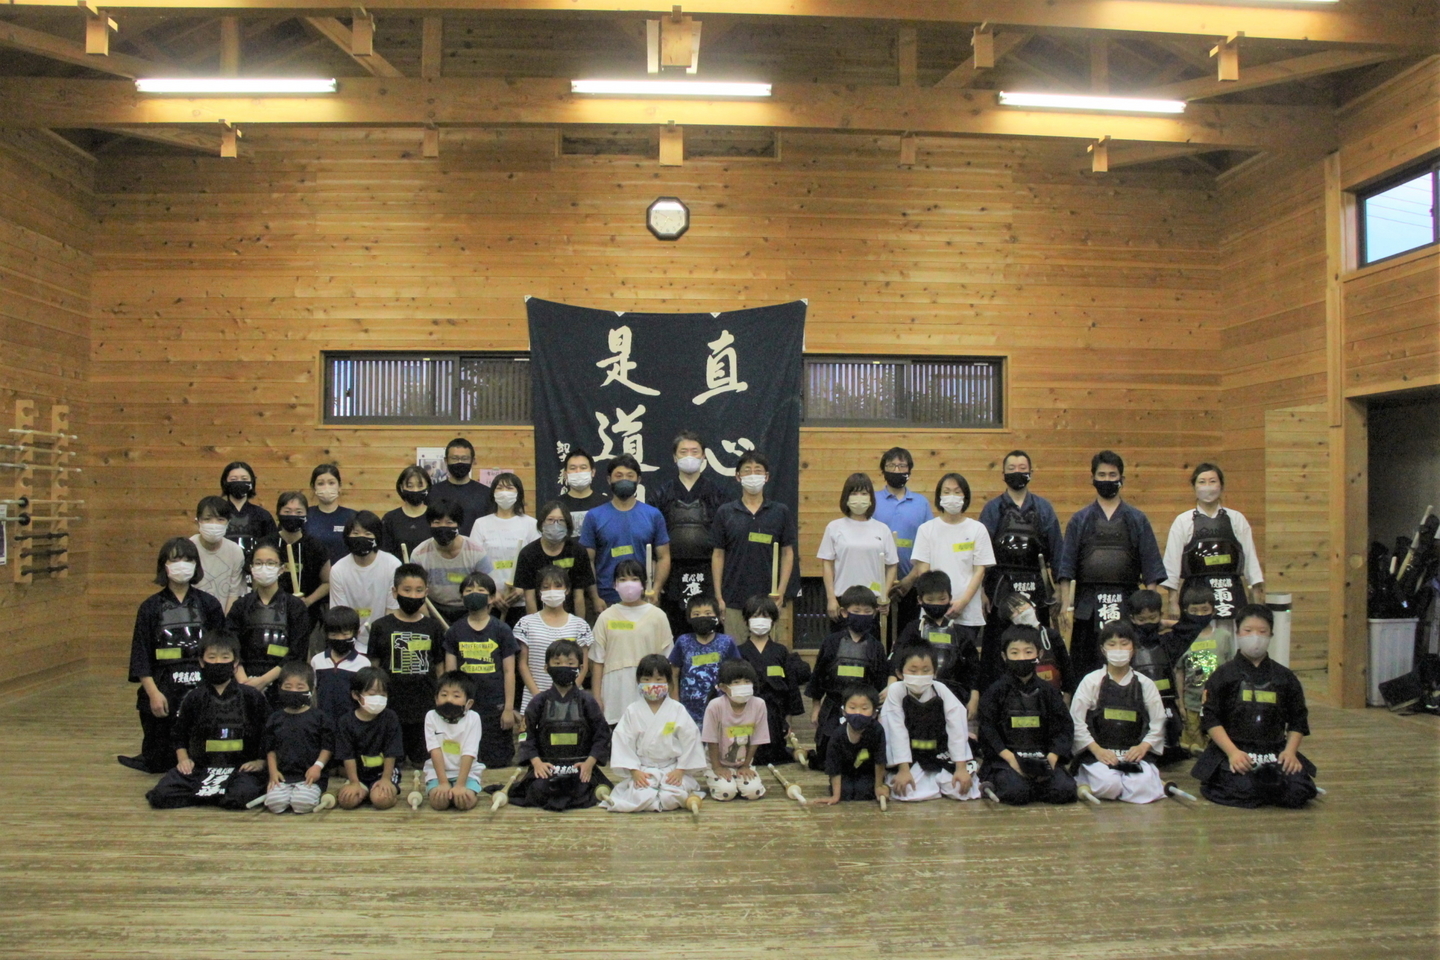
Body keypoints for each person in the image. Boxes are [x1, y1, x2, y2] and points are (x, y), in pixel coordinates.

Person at [1191, 604, 1317, 808]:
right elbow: (1211, 718)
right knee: (1246, 789)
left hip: (1274, 750)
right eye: (1248, 631)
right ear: (1238, 633)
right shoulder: (1223, 675)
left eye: (1262, 631)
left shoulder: (1285, 677)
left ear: (1271, 634)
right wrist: (1233, 753)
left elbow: (1298, 719)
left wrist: (1290, 752)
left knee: (1298, 791)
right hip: (1235, 749)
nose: (1255, 637)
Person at [120, 538, 227, 773]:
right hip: (163, 684)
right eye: (175, 559)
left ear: (196, 565)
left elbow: (222, 650)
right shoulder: (149, 607)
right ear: (164, 565)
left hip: (201, 683)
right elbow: (141, 655)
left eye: (188, 559)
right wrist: (153, 694)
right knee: (160, 762)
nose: (182, 565)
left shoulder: (209, 604)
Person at [1057, 450, 1165, 679]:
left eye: (1112, 475)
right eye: (1102, 475)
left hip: (1127, 600)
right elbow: (1066, 568)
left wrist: (1149, 607)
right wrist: (1066, 606)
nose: (1107, 479)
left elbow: (1151, 566)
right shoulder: (1080, 519)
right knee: (1085, 665)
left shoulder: (1137, 518)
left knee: (1128, 662)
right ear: (1093, 479)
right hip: (1087, 604)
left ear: (1121, 479)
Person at [145, 633, 270, 810]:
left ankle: (219, 795)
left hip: (241, 769)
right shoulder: (194, 697)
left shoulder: (252, 696)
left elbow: (270, 733)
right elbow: (178, 734)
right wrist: (183, 760)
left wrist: (261, 762)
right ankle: (214, 794)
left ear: (235, 663)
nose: (218, 662)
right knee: (162, 795)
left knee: (240, 796)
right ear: (202, 662)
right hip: (201, 768)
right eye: (212, 657)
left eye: (225, 657)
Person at [978, 450, 1064, 687]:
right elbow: (980, 553)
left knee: (1035, 641)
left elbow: (1057, 550)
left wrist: (1059, 590)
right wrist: (982, 590)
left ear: (1031, 472)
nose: (1017, 472)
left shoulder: (1044, 508)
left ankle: (1039, 691)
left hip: (1037, 585)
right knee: (998, 645)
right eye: (1012, 468)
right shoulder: (992, 509)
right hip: (999, 587)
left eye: (1022, 468)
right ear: (1003, 474)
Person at [1070, 622, 1168, 804]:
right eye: (1112, 644)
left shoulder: (1145, 684)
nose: (1118, 649)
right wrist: (1097, 750)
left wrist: (1143, 747)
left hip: (1133, 753)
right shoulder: (1091, 681)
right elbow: (1076, 721)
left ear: (1133, 648)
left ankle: (1137, 781)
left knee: (1141, 788)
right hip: (1099, 754)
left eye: (1124, 644)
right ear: (1103, 649)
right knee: (1109, 784)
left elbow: (1158, 722)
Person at [976, 627, 1077, 806]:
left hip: (1042, 757)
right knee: (1016, 793)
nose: (1022, 658)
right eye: (1015, 653)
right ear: (1004, 656)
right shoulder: (995, 692)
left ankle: (1035, 785)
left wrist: (1052, 758)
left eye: (1028, 652)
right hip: (1006, 760)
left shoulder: (1049, 692)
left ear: (1039, 654)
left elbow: (1064, 728)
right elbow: (987, 729)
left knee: (1064, 791)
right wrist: (1010, 759)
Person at [897, 472, 994, 656]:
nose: (952, 496)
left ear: (965, 497)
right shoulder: (926, 529)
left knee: (963, 661)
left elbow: (979, 570)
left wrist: (963, 602)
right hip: (932, 611)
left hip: (967, 614)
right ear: (939, 497)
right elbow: (923, 571)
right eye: (947, 491)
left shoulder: (977, 529)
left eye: (957, 492)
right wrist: (936, 604)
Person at [509, 639, 612, 811]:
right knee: (538, 790)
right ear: (546, 667)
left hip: (580, 767)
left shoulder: (587, 701)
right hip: (548, 766)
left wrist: (589, 762)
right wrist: (536, 762)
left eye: (570, 663)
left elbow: (602, 734)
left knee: (582, 790)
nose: (563, 667)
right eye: (557, 663)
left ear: (580, 668)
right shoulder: (538, 701)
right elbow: (525, 734)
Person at [648, 431, 730, 636]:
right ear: (674, 457)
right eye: (683, 452)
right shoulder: (661, 494)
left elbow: (725, 541)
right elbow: (652, 538)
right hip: (671, 572)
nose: (689, 456)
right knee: (673, 629)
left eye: (695, 451)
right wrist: (656, 581)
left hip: (708, 571)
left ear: (704, 456)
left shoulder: (718, 494)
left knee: (708, 629)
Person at [601, 655, 707, 814]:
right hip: (643, 770)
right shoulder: (633, 711)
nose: (652, 684)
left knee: (671, 797)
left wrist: (681, 769)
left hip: (671, 768)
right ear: (638, 681)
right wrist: (634, 771)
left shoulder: (677, 709)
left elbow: (690, 739)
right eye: (647, 679)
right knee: (642, 796)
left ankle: (667, 793)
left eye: (659, 679)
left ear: (668, 682)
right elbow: (622, 740)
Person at [711, 451, 797, 645]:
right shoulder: (725, 512)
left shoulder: (780, 512)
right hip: (733, 598)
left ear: (766, 477)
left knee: (768, 654)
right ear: (737, 476)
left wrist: (781, 591)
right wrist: (719, 596)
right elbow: (718, 555)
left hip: (769, 599)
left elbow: (787, 553)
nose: (752, 475)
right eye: (747, 470)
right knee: (736, 655)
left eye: (758, 471)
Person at [366, 563, 447, 770]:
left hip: (424, 707)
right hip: (391, 708)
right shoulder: (380, 627)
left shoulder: (433, 627)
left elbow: (440, 667)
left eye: (419, 590)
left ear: (426, 592)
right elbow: (374, 669)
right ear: (395, 592)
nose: (413, 595)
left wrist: (440, 698)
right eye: (407, 590)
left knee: (422, 762)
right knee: (394, 763)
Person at [1161, 463, 1265, 621]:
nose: (1207, 486)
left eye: (1212, 481)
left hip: (1231, 590)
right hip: (1195, 591)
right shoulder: (1183, 521)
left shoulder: (1236, 519)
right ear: (1194, 487)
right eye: (1202, 482)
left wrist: (1256, 595)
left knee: (1230, 634)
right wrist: (1172, 601)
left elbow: (1251, 560)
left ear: (1221, 486)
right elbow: (1172, 563)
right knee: (1198, 635)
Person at [806, 586, 890, 770]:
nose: (862, 615)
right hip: (833, 705)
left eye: (867, 612)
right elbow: (818, 676)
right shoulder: (831, 642)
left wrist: (876, 711)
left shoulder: (876, 647)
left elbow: (880, 683)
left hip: (863, 708)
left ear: (874, 613)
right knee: (826, 755)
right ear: (844, 612)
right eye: (856, 611)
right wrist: (816, 707)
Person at [881, 648, 980, 802]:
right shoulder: (896, 691)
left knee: (960, 790)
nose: (920, 675)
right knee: (907, 791)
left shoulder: (941, 690)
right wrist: (903, 770)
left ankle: (939, 780)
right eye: (913, 671)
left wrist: (961, 768)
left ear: (935, 672)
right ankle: (930, 781)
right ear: (900, 673)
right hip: (911, 754)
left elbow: (957, 727)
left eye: (926, 670)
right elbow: (896, 731)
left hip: (939, 750)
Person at [443, 573, 520, 768]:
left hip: (495, 706)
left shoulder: (502, 630)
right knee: (463, 759)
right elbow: (450, 674)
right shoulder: (454, 631)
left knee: (497, 761)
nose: (474, 593)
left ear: (492, 597)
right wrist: (452, 705)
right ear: (461, 597)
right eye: (468, 590)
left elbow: (509, 672)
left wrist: (509, 708)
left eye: (480, 590)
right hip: (465, 706)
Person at [889, 570, 982, 722]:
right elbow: (897, 657)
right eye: (930, 600)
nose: (936, 604)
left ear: (950, 598)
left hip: (953, 693)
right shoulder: (913, 629)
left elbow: (973, 668)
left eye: (941, 599)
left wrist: (974, 697)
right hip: (915, 693)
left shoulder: (960, 633)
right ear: (920, 600)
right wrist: (891, 686)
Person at [580, 454, 671, 608]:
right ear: (609, 479)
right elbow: (588, 560)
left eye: (630, 476)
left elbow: (664, 556)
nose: (624, 480)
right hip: (607, 597)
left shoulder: (653, 515)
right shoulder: (594, 516)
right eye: (619, 476)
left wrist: (655, 590)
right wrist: (595, 597)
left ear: (638, 480)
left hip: (644, 596)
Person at [590, 559, 673, 724]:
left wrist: (670, 696)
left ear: (643, 584)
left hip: (649, 687)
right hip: (615, 691)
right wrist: (597, 696)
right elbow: (597, 661)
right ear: (614, 585)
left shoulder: (658, 616)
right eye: (622, 579)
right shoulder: (605, 617)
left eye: (634, 579)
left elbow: (668, 661)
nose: (628, 584)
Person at [228, 540, 310, 701]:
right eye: (258, 563)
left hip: (283, 681)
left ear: (282, 568)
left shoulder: (295, 607)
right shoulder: (240, 605)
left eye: (270, 563)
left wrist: (264, 680)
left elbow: (298, 652)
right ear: (251, 568)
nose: (264, 568)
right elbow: (230, 646)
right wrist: (244, 682)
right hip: (244, 680)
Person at [818, 473, 899, 626]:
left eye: (864, 493)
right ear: (846, 498)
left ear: (871, 498)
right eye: (854, 493)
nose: (859, 498)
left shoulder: (882, 529)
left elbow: (892, 565)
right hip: (842, 599)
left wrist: (884, 596)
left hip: (873, 602)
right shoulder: (834, 527)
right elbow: (827, 563)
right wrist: (831, 598)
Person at [737, 595, 806, 766]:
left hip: (775, 713)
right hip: (747, 712)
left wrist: (788, 721)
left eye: (766, 616)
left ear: (773, 621)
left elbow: (790, 686)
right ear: (746, 620)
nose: (760, 620)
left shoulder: (781, 651)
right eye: (755, 616)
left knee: (775, 752)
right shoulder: (738, 652)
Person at [513, 568, 594, 712]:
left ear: (567, 590)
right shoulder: (526, 623)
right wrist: (539, 697)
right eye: (546, 587)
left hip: (572, 701)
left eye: (558, 586)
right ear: (539, 592)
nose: (552, 591)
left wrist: (567, 694)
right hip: (534, 699)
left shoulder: (580, 625)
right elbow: (523, 664)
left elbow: (584, 665)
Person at [875, 447, 933, 646]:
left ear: (909, 470)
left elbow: (928, 545)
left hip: (911, 584)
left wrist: (910, 579)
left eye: (902, 466)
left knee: (908, 639)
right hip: (877, 583)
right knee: (878, 638)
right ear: (883, 470)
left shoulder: (921, 503)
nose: (897, 470)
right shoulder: (872, 500)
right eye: (891, 466)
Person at [261, 662, 335, 814]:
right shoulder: (275, 718)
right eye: (288, 687)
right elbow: (270, 749)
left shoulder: (320, 718)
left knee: (301, 804)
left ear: (311, 690)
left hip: (310, 777)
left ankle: (301, 794)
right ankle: (287, 794)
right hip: (282, 776)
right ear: (280, 688)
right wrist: (273, 772)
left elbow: (327, 747)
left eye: (300, 687)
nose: (293, 691)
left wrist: (317, 767)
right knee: (275, 804)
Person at [468, 471, 538, 626]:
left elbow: (537, 563)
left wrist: (522, 589)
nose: (504, 492)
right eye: (500, 488)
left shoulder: (531, 524)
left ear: (518, 494)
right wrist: (491, 592)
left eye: (510, 488)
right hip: (490, 601)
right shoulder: (481, 524)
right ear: (493, 493)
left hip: (523, 601)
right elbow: (474, 562)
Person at [1125, 588, 1187, 761]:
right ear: (1132, 618)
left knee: (1171, 730)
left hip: (1166, 700)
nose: (1148, 623)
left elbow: (1191, 626)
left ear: (1160, 615)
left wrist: (1168, 623)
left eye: (1153, 618)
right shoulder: (1127, 644)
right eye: (1142, 619)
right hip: (1137, 702)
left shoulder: (1168, 642)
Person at [328, 510, 401, 654]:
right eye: (355, 533)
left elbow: (392, 611)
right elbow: (341, 615)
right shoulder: (338, 569)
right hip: (351, 642)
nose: (361, 537)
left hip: (384, 639)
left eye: (368, 534)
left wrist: (382, 641)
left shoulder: (392, 565)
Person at [411, 499, 495, 623]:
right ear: (429, 524)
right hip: (434, 609)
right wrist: (429, 624)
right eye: (437, 522)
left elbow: (489, 590)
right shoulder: (419, 554)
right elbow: (416, 594)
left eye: (449, 522)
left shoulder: (476, 552)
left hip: (470, 609)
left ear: (458, 525)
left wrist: (478, 620)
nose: (443, 527)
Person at [333, 666, 404, 810]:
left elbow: (392, 752)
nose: (378, 698)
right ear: (356, 694)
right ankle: (365, 790)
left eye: (383, 694)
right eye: (372, 693)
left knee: (381, 800)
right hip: (358, 774)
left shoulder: (390, 718)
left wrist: (385, 779)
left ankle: (378, 792)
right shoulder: (345, 722)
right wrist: (354, 782)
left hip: (384, 772)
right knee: (347, 801)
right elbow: (347, 755)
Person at [514, 500, 598, 617]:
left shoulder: (578, 551)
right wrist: (535, 624)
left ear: (567, 524)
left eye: (561, 520)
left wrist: (579, 624)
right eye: (550, 520)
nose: (555, 524)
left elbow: (578, 595)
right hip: (539, 615)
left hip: (570, 615)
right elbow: (530, 598)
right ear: (541, 523)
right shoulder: (527, 553)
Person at [667, 594, 741, 725]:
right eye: (696, 614)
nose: (702, 617)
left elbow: (737, 673)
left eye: (708, 613)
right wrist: (676, 705)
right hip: (688, 713)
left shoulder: (727, 642)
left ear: (717, 616)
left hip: (722, 710)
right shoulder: (683, 641)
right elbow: (674, 674)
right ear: (689, 617)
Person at [700, 659, 769, 801]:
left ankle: (739, 779)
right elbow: (711, 740)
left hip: (743, 763)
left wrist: (746, 765)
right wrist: (717, 767)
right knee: (726, 792)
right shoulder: (715, 706)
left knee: (753, 792)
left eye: (747, 681)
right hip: (717, 762)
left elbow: (757, 739)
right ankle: (724, 781)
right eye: (736, 682)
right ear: (723, 687)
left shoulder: (759, 704)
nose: (743, 686)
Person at [810, 684, 888, 806]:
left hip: (868, 773)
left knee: (864, 792)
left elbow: (880, 760)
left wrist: (879, 786)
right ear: (844, 712)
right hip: (844, 773)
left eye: (864, 708)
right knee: (845, 793)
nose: (858, 712)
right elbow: (834, 766)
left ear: (874, 713)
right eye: (852, 707)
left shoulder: (877, 731)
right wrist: (835, 796)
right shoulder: (837, 735)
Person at [1176, 582, 1228, 753]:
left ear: (1213, 611)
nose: (1200, 614)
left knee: (1218, 746)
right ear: (1186, 611)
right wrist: (1180, 703)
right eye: (1194, 610)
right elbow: (1179, 673)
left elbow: (1231, 670)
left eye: (1205, 610)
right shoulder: (1181, 638)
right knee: (1194, 748)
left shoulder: (1224, 636)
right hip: (1192, 704)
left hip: (1219, 705)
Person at [423, 671, 483, 812]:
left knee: (464, 803)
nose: (449, 700)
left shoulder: (473, 718)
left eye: (456, 696)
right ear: (436, 699)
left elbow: (469, 752)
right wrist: (443, 783)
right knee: (439, 803)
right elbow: (435, 750)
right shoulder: (431, 716)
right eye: (444, 695)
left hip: (467, 773)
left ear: (469, 703)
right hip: (437, 773)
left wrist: (460, 785)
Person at [274, 491, 331, 638]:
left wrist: (308, 601)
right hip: (272, 614)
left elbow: (327, 582)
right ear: (278, 513)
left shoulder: (316, 546)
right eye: (287, 511)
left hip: (308, 615)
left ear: (306, 515)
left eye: (298, 512)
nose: (293, 515)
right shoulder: (267, 544)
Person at [1001, 593, 1073, 696]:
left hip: (1053, 695)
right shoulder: (1009, 639)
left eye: (1021, 604)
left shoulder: (1051, 635)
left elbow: (1066, 668)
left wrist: (1067, 696)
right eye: (1014, 611)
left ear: (1032, 605)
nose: (1020, 611)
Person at [310, 606, 371, 723]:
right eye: (333, 635)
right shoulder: (317, 661)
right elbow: (314, 693)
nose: (339, 638)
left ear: (356, 633)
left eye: (345, 634)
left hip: (351, 725)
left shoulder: (363, 663)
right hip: (323, 724)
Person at [191, 495, 245, 614]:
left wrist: (225, 622)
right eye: (207, 519)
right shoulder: (188, 548)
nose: (214, 524)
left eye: (220, 519)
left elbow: (233, 593)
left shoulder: (235, 551)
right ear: (198, 521)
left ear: (228, 523)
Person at [431, 437, 494, 532]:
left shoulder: (486, 493)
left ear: (473, 461)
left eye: (464, 458)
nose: (459, 462)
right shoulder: (433, 492)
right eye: (454, 458)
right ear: (446, 460)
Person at [219, 460, 277, 562]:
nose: (239, 482)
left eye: (244, 479)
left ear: (251, 483)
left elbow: (272, 546)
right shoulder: (217, 512)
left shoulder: (263, 515)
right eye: (233, 479)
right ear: (225, 482)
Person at [305, 463, 357, 565]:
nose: (326, 488)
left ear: (339, 487)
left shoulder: (353, 516)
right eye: (320, 484)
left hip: (344, 573)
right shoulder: (306, 516)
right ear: (313, 488)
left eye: (331, 483)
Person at [379, 465, 433, 561]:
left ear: (427, 487)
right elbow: (384, 553)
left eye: (420, 486)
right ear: (401, 487)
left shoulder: (436, 516)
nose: (415, 490)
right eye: (410, 486)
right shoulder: (390, 519)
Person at [558, 447, 609, 535]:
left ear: (592, 472)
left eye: (583, 467)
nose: (578, 472)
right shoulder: (556, 506)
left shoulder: (607, 504)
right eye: (573, 468)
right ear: (565, 474)